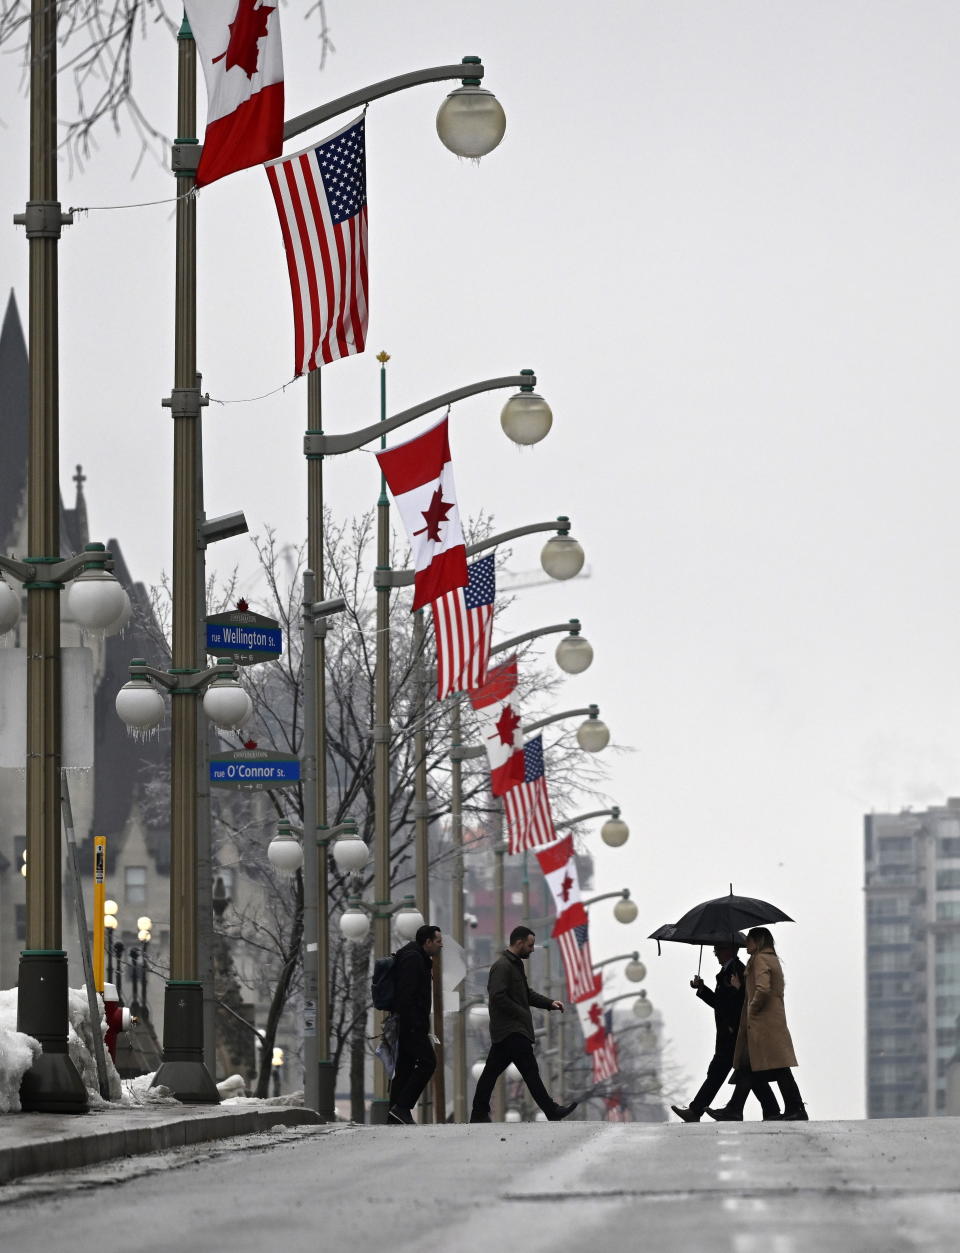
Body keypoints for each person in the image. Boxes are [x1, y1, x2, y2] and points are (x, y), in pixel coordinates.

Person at [470, 925, 578, 1124]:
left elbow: (526, 994)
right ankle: (551, 1110)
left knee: (491, 1073)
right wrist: (520, 1013)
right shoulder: (502, 966)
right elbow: (497, 996)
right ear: (518, 942)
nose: (532, 949)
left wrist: (549, 1003)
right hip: (511, 1030)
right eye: (530, 945)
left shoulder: (515, 965)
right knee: (529, 1071)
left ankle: (478, 1113)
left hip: (510, 1031)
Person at [670, 942, 780, 1123]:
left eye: (718, 949)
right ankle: (771, 1110)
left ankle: (695, 1111)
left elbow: (743, 1002)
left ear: (729, 950)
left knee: (720, 1072)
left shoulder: (737, 970)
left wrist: (738, 990)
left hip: (733, 1033)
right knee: (747, 1074)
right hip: (728, 1034)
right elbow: (720, 1003)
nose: (715, 954)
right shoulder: (727, 972)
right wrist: (702, 988)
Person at [709, 926, 807, 1122]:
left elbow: (762, 989)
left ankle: (794, 1108)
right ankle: (736, 1109)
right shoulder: (771, 959)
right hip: (771, 1022)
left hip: (762, 1024)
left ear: (758, 941)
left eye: (750, 939)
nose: (746, 943)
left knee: (775, 1067)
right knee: (752, 1065)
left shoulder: (760, 959)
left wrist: (752, 1010)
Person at [388, 924, 443, 1126]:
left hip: (409, 1023)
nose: (441, 945)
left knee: (405, 1067)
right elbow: (407, 995)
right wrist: (415, 1025)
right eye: (438, 941)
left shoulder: (415, 957)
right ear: (427, 942)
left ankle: (393, 1116)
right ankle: (402, 1107)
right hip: (411, 1024)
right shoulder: (413, 959)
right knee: (428, 1062)